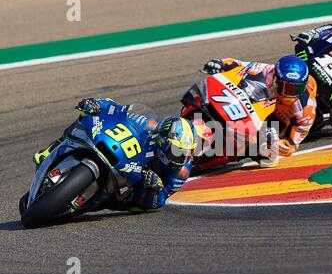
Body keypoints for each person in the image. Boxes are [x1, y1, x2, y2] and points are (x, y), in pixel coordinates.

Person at [33, 97, 197, 212]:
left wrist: (155, 189)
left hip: (137, 185)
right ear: (163, 140)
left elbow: (158, 203)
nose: (181, 157)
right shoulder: (149, 126)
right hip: (122, 156)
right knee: (86, 115)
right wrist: (98, 104)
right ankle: (52, 149)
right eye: (176, 150)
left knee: (137, 207)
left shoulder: (180, 172)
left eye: (186, 153)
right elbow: (117, 110)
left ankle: (99, 199)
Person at [202, 55, 317, 157]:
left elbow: (292, 145)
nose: (290, 94)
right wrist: (220, 63)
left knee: (266, 155)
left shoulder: (306, 111)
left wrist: (277, 143)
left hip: (272, 126)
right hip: (250, 103)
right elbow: (238, 64)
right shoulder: (267, 70)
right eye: (287, 87)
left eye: (298, 88)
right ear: (276, 79)